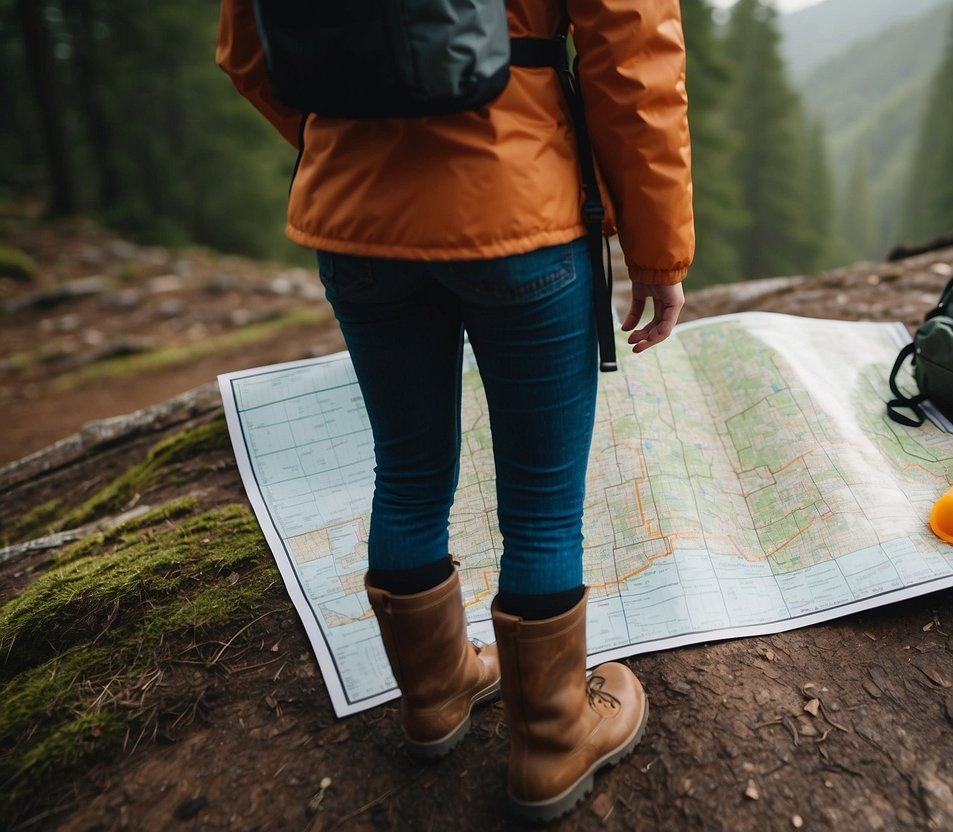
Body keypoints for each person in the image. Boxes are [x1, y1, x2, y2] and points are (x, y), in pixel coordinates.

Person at [217, 0, 693, 821]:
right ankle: (550, 745)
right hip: (521, 207)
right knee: (543, 510)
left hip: (356, 217)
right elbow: (633, 60)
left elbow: (244, 50)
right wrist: (656, 250)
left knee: (404, 471)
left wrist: (345, 139)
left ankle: (435, 698)